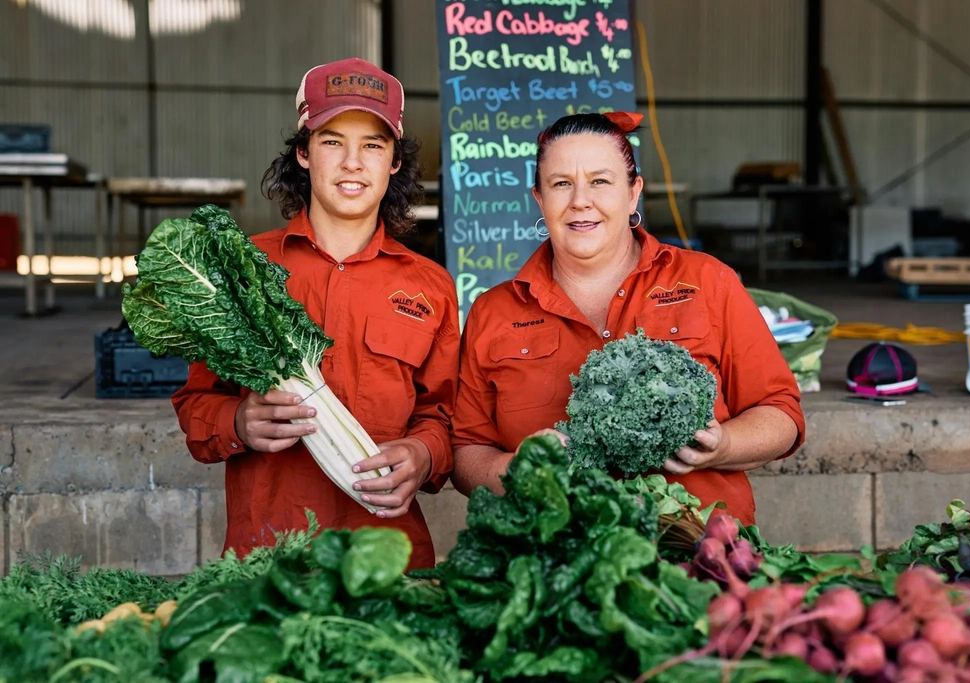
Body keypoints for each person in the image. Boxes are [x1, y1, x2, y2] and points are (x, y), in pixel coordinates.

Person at [172, 58, 460, 569]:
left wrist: (424, 454)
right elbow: (196, 404)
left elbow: (441, 413)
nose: (353, 162)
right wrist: (237, 420)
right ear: (303, 153)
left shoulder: (430, 286)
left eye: (373, 144)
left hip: (390, 561)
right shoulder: (243, 269)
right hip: (267, 558)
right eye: (332, 141)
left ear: (394, 162)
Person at [450, 112, 804, 525]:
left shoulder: (709, 281)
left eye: (600, 181)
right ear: (539, 199)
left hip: (700, 553)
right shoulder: (494, 312)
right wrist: (518, 470)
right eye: (561, 183)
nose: (580, 200)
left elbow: (782, 414)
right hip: (554, 561)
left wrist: (724, 445)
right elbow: (466, 452)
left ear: (634, 193)